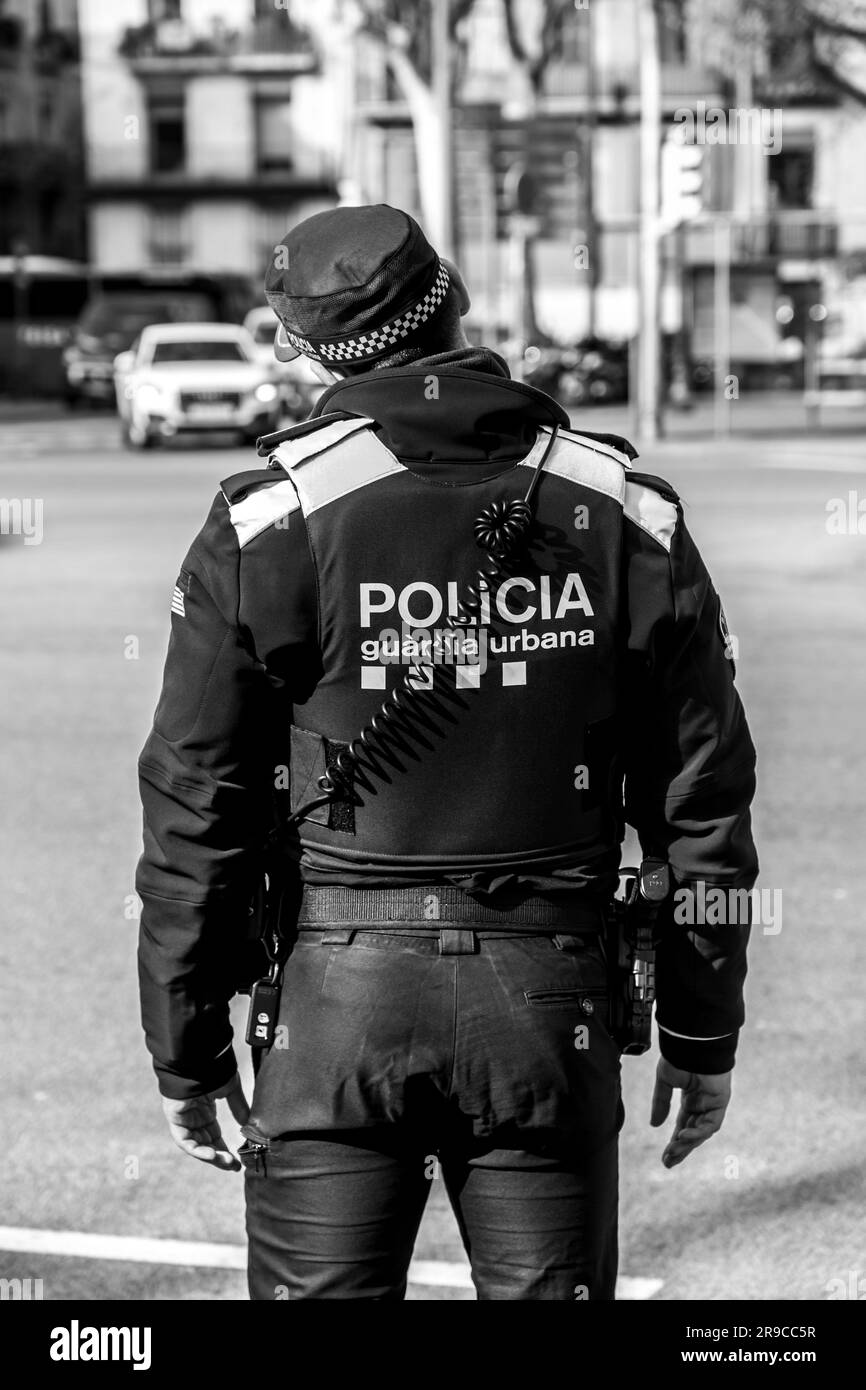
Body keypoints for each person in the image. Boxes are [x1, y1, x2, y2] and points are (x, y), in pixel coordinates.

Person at [137, 203, 758, 1301]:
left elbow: (196, 807)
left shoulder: (269, 520)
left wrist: (184, 1048)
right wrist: (700, 1030)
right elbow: (700, 809)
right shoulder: (621, 510)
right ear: (456, 297)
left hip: (331, 1015)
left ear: (307, 351)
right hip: (547, 1015)